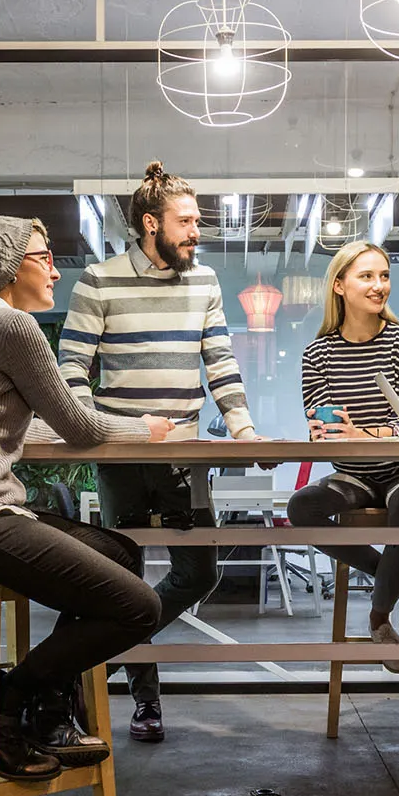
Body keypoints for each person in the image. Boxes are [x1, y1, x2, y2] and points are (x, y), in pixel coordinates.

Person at [0, 215, 169, 778]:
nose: (54, 267)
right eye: (44, 255)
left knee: (122, 553)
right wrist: (146, 429)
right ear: (6, 265)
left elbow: (26, 429)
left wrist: (124, 427)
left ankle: (48, 714)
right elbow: (82, 430)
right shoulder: (11, 327)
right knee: (138, 607)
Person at [57, 161, 259, 742]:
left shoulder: (206, 283)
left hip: (186, 456)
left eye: (198, 221)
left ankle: (86, 667)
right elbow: (71, 372)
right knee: (124, 578)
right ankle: (146, 703)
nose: (198, 231)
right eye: (187, 221)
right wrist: (102, 429)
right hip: (122, 454)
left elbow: (220, 363)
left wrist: (242, 430)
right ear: (151, 223)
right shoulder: (99, 281)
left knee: (197, 573)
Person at [286, 240, 399, 672]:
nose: (379, 285)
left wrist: (360, 432)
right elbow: (320, 421)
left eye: (384, 275)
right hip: (354, 473)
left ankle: (379, 618)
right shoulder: (318, 353)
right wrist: (322, 432)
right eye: (367, 276)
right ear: (339, 285)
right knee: (302, 507)